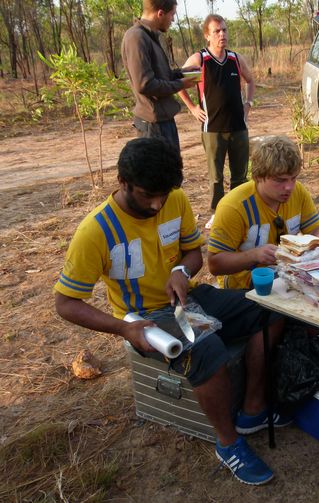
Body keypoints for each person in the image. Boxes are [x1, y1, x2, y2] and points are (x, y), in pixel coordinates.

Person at [53, 137, 289, 486]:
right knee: (208, 349)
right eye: (148, 195)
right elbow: (65, 303)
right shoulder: (96, 230)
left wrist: (181, 272)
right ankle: (228, 443)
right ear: (123, 183)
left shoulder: (173, 200)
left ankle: (252, 409)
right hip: (145, 317)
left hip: (187, 297)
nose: (157, 204)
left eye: (163, 194)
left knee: (270, 307)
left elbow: (193, 253)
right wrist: (124, 329)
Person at [207, 135, 319, 288]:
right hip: (244, 284)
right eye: (280, 180)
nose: (289, 187)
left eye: (293, 178)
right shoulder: (234, 207)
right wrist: (254, 255)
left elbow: (316, 228)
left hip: (288, 274)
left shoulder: (298, 192)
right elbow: (215, 264)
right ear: (257, 177)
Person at [178, 14, 255, 230]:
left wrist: (248, 103)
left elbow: (250, 80)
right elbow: (178, 82)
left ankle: (239, 212)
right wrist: (192, 107)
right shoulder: (200, 60)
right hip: (212, 128)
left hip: (239, 127)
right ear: (207, 36)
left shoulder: (235, 59)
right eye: (217, 31)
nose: (222, 34)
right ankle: (218, 213)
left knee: (240, 175)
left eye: (224, 30)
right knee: (216, 177)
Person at [121, 0, 199, 152]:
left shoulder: (150, 37)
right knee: (159, 174)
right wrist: (181, 84)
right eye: (172, 15)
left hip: (163, 121)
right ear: (160, 13)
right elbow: (145, 84)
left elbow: (162, 76)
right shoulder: (136, 37)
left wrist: (183, 72)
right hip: (153, 126)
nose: (173, 20)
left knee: (172, 172)